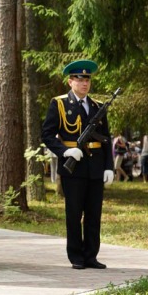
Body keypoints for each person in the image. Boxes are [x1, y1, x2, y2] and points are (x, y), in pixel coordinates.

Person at [41, 59, 114, 270]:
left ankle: (91, 255)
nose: (84, 83)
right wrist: (65, 151)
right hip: (73, 167)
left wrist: (108, 166)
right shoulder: (60, 103)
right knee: (74, 213)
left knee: (93, 213)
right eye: (80, 79)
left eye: (87, 79)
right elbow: (47, 134)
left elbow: (106, 138)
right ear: (70, 81)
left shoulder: (97, 107)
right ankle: (76, 257)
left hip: (95, 168)